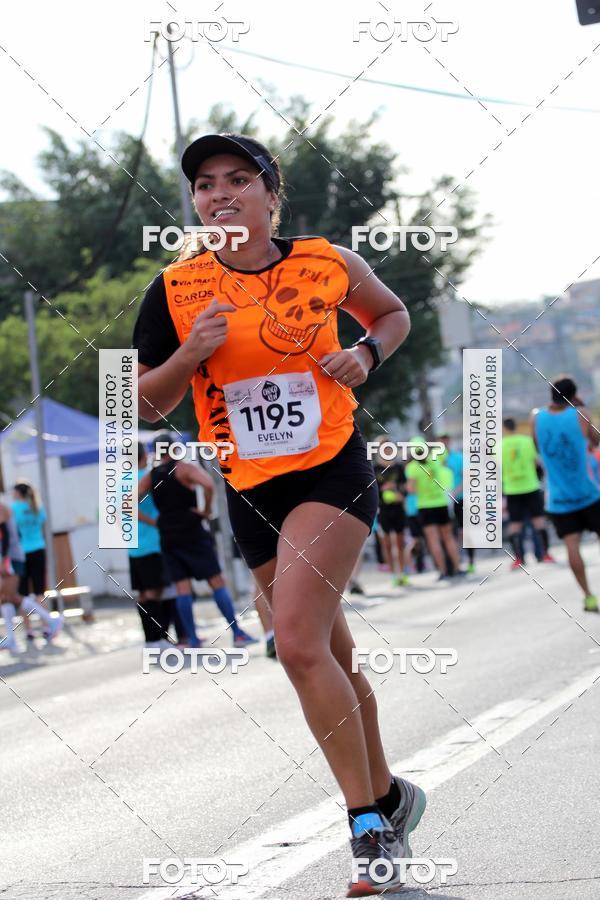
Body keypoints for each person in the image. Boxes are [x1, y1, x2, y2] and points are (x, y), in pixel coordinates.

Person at [133, 132, 426, 896]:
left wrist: (364, 355)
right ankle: (392, 795)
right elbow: (142, 398)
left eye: (238, 178)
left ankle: (368, 828)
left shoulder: (325, 262)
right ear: (193, 202)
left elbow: (390, 314)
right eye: (204, 184)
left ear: (271, 194)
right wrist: (189, 354)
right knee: (329, 651)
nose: (220, 193)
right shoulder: (174, 289)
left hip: (332, 467)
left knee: (295, 646)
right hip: (249, 487)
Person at [139, 434, 257, 649]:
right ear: (174, 448)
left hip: (168, 535)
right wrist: (205, 510)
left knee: (182, 588)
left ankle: (192, 639)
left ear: (156, 452)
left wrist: (155, 522)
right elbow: (209, 485)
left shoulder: (152, 475)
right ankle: (236, 632)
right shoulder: (184, 468)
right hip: (192, 530)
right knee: (215, 581)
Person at [533, 377, 600, 612]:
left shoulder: (536, 418)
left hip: (559, 499)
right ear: (573, 395)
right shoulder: (580, 414)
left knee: (573, 547)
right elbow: (596, 440)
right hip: (588, 493)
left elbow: (538, 447)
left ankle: (588, 596)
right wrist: (579, 408)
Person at [129, 444, 171, 648]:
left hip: (133, 545)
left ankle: (150, 640)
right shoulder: (146, 477)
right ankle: (159, 638)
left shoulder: (119, 480)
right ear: (144, 455)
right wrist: (154, 522)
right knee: (155, 592)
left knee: (144, 594)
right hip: (152, 542)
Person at [10, 484, 63, 642]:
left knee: (23, 593)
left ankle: (29, 631)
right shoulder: (36, 506)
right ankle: (47, 627)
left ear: (18, 493)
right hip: (38, 549)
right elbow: (41, 525)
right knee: (40, 592)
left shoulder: (14, 508)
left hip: (21, 553)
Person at [405, 438, 464, 581]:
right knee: (449, 537)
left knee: (433, 541)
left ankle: (443, 571)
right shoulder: (435, 460)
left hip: (425, 506)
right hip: (441, 503)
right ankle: (457, 568)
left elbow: (411, 490)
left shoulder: (412, 467)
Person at [502, 418, 554, 569]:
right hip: (531, 486)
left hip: (512, 490)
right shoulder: (527, 441)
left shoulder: (499, 446)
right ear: (515, 426)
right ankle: (545, 554)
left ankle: (519, 559)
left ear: (504, 429)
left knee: (514, 526)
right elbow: (538, 463)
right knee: (539, 522)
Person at [439, 434, 475, 574]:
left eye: (446, 440)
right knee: (448, 533)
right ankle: (453, 564)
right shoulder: (436, 459)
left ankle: (470, 561)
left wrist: (456, 491)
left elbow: (468, 476)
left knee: (464, 531)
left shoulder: (458, 457)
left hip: (460, 498)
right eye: (441, 440)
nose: (444, 443)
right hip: (442, 502)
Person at [375, 462, 409, 586]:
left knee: (400, 543)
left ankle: (402, 573)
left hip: (398, 509)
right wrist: (382, 489)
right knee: (387, 544)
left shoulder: (398, 467)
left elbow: (406, 487)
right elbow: (369, 489)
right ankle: (394, 575)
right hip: (383, 511)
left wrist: (399, 492)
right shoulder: (375, 468)